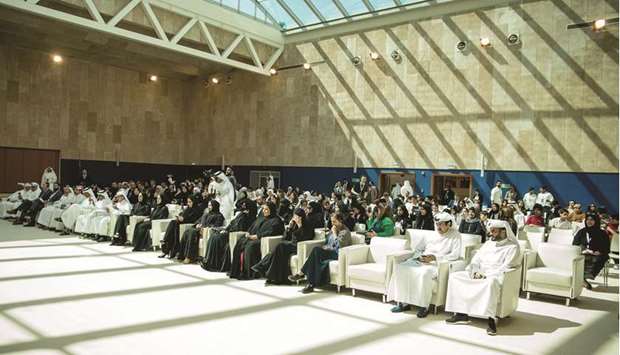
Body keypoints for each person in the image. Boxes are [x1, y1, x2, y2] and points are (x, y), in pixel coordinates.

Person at [445, 219, 521, 336]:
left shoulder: (512, 247)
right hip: (479, 273)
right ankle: (461, 314)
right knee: (455, 277)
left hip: (495, 276)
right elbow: (476, 259)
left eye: (494, 231)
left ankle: (491, 319)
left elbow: (506, 267)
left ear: (503, 232)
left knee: (490, 283)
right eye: (491, 231)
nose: (491, 234)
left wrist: (486, 275)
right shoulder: (489, 243)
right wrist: (475, 271)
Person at [388, 212, 462, 318]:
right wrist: (420, 256)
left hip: (437, 264)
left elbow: (455, 255)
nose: (438, 227)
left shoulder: (455, 236)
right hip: (422, 261)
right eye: (437, 224)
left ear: (448, 224)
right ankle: (403, 303)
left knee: (424, 274)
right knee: (400, 268)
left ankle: (424, 306)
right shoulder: (431, 234)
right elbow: (418, 248)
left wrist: (435, 258)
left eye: (441, 224)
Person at [289, 212, 352, 293]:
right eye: (332, 221)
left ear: (341, 221)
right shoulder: (333, 229)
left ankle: (301, 273)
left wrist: (335, 233)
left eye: (335, 222)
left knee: (316, 251)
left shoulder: (345, 232)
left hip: (338, 254)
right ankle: (310, 284)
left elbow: (340, 246)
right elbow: (327, 243)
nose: (333, 224)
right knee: (315, 256)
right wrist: (325, 247)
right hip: (329, 252)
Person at [252, 208, 314, 285]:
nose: (294, 218)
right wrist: (289, 228)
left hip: (300, 246)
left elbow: (304, 238)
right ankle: (272, 276)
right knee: (274, 252)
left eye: (296, 216)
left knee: (280, 246)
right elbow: (285, 237)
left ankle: (262, 266)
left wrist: (300, 226)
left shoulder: (307, 225)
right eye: (294, 216)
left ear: (301, 217)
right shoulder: (294, 224)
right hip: (292, 244)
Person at [229, 202, 284, 280]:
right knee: (240, 242)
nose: (264, 211)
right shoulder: (261, 218)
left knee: (250, 246)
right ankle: (237, 271)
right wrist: (248, 233)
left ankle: (250, 272)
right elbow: (252, 227)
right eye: (263, 209)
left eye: (266, 209)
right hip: (253, 237)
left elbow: (271, 232)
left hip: (261, 240)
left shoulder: (276, 220)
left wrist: (257, 236)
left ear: (271, 210)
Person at [201, 199, 257, 272]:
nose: (243, 208)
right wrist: (226, 230)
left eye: (245, 206)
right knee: (213, 236)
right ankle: (209, 261)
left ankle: (214, 264)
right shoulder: (241, 214)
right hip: (229, 232)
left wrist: (228, 231)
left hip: (233, 234)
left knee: (217, 238)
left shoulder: (251, 218)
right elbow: (232, 223)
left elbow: (242, 228)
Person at [177, 200, 225, 264]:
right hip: (199, 229)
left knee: (192, 232)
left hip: (204, 231)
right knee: (187, 231)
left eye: (210, 205)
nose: (209, 207)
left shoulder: (219, 216)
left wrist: (204, 227)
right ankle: (182, 255)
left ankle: (189, 257)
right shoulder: (207, 214)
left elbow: (216, 225)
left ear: (215, 206)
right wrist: (197, 224)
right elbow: (198, 220)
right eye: (208, 205)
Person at [572, 213, 610, 289]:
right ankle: (581, 279)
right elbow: (575, 244)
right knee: (578, 259)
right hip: (583, 253)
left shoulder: (602, 233)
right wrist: (584, 250)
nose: (589, 221)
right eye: (588, 219)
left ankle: (581, 278)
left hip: (598, 254)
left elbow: (606, 247)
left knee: (596, 259)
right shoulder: (582, 232)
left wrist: (599, 252)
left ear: (596, 221)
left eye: (592, 220)